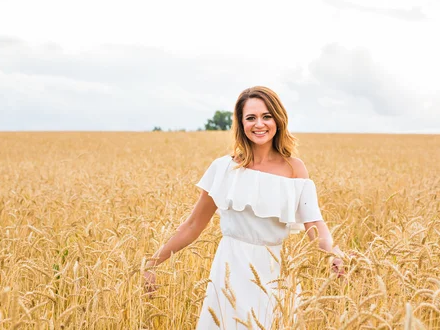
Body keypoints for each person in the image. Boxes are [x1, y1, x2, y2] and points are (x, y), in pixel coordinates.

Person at [143, 86, 345, 329]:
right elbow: (194, 224)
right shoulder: (223, 168)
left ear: (278, 120)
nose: (259, 124)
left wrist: (333, 253)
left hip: (274, 275)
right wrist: (153, 263)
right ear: (241, 123)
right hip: (229, 272)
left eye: (266, 116)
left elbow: (313, 222)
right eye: (251, 118)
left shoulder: (295, 168)